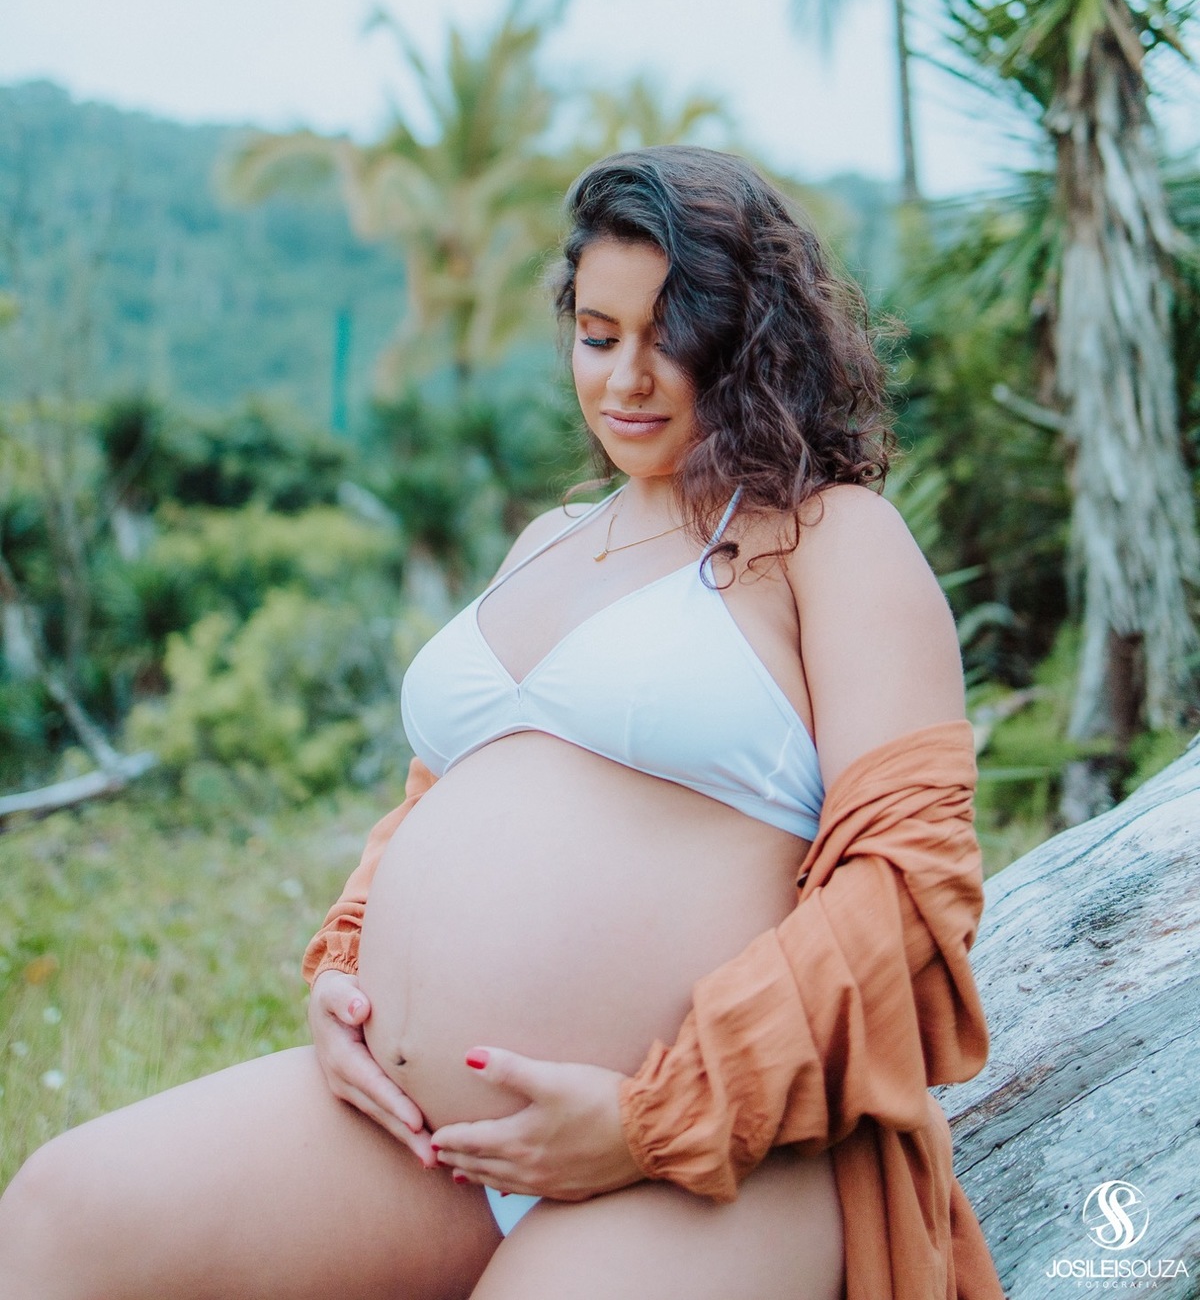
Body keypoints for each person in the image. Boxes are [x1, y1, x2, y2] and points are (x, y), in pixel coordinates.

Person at [0, 145, 1000, 1300]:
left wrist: (652, 1117)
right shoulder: (549, 539)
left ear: (752, 339)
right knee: (60, 1214)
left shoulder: (831, 537)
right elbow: (436, 799)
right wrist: (344, 972)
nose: (628, 377)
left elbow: (907, 887)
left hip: (712, 1156)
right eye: (599, 334)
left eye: (671, 335)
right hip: (424, 1141)